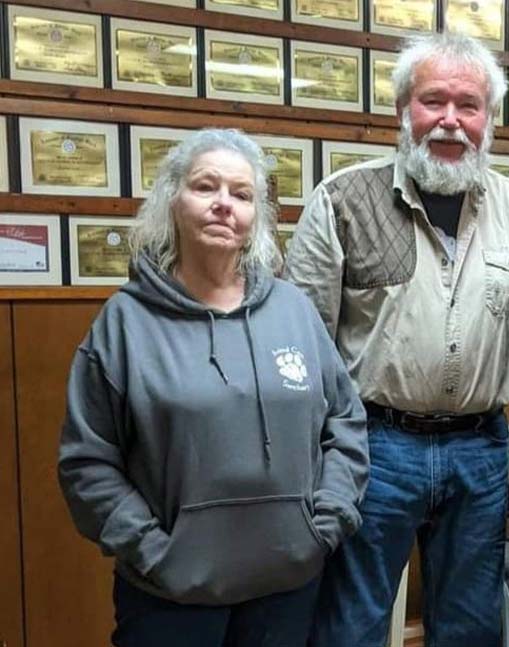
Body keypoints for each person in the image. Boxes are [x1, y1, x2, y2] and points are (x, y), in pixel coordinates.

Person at [284, 32, 509, 647]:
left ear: (490, 119)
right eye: (433, 101)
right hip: (371, 446)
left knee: (469, 627)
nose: (451, 120)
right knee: (350, 625)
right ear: (402, 110)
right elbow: (301, 346)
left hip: (482, 448)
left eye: (469, 105)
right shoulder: (342, 201)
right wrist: (322, 458)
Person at [57, 128, 370, 647]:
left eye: (242, 194)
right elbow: (87, 462)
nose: (224, 204)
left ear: (256, 217)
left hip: (288, 587)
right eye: (206, 187)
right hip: (170, 596)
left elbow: (345, 423)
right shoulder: (125, 322)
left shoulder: (293, 310)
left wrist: (325, 525)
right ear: (172, 201)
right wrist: (155, 552)